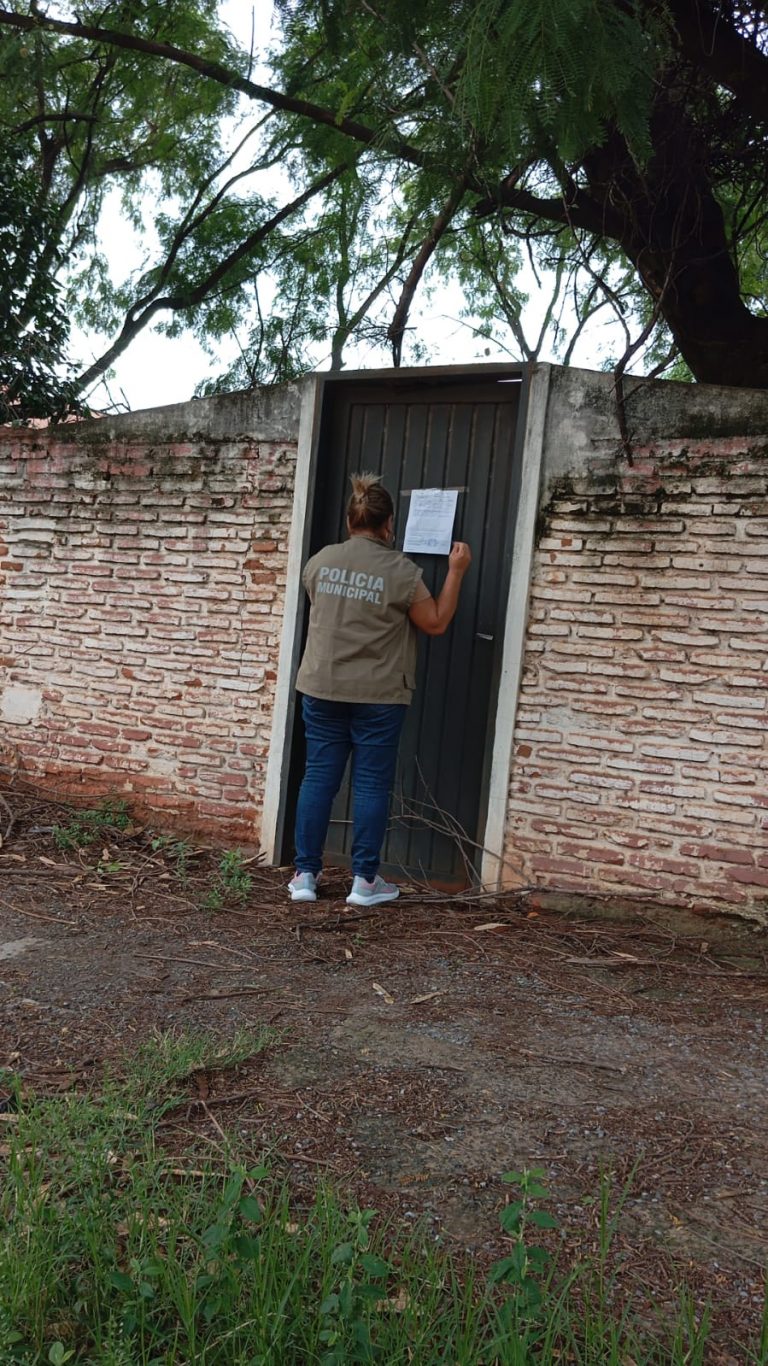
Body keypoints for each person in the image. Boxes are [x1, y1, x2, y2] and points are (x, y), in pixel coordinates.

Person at [289, 472, 472, 906]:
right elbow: (436, 623)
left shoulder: (318, 562)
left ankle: (304, 877)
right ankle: (365, 883)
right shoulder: (402, 572)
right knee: (370, 785)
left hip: (321, 688)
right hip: (379, 696)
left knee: (318, 778)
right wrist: (457, 571)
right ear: (389, 523)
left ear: (351, 521)